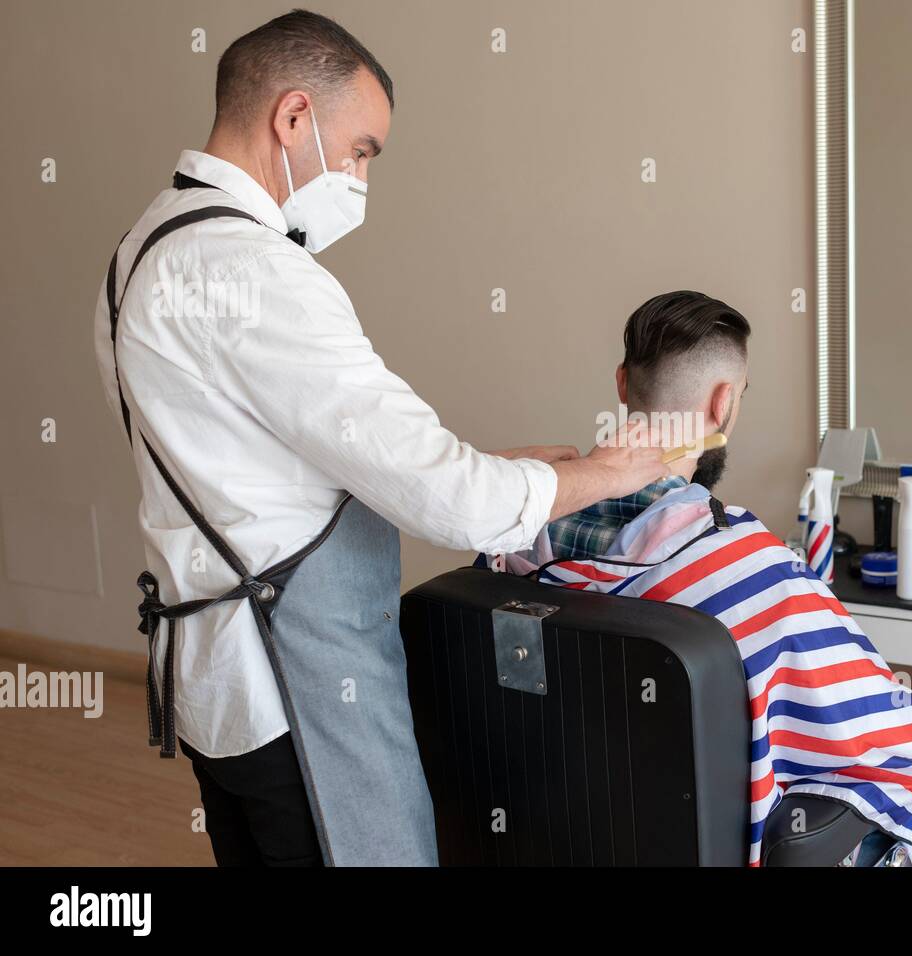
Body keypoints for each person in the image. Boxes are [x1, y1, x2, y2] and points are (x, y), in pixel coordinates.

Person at [92, 10, 672, 867]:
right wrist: (604, 469)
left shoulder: (139, 252)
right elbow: (461, 506)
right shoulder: (261, 274)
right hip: (300, 692)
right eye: (361, 151)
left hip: (217, 689)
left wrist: (504, 465)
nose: (362, 178)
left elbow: (255, 467)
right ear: (293, 118)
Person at [491, 291, 912, 867]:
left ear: (623, 385)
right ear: (724, 406)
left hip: (568, 832)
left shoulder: (512, 541)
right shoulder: (749, 567)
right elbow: (892, 736)